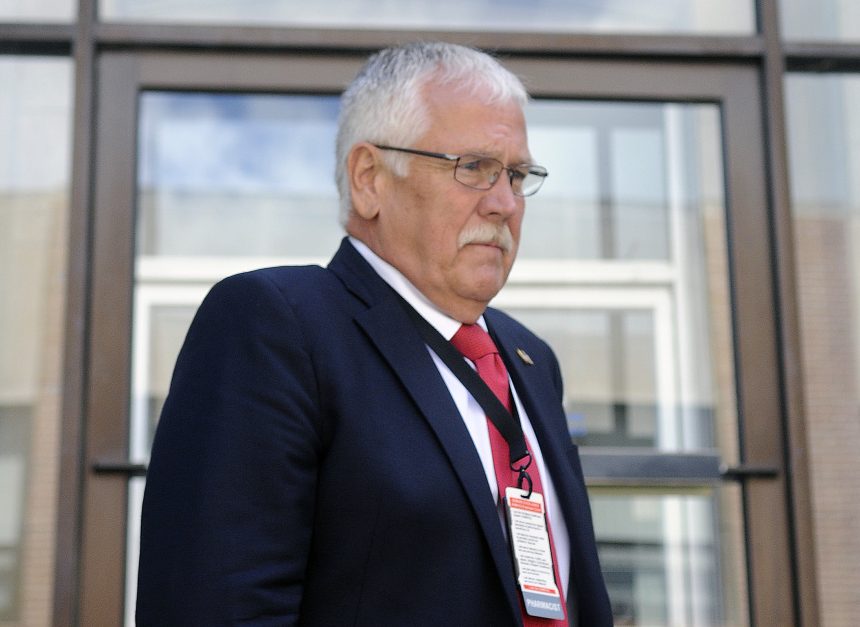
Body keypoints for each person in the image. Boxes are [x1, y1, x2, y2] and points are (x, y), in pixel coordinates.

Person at [136, 41, 612, 626]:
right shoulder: (278, 324)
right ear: (369, 178)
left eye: (516, 174)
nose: (504, 203)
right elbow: (212, 608)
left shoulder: (531, 360)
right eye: (475, 168)